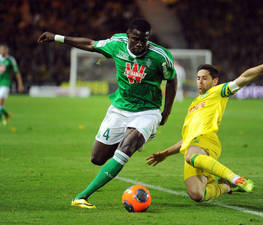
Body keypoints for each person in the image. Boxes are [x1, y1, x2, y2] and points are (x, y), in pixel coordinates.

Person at [38, 18, 177, 208]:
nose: (140, 44)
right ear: (128, 37)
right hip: (120, 109)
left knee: (126, 148)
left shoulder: (161, 57)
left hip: (148, 111)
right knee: (98, 158)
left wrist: (166, 112)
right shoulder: (116, 44)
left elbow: (172, 80)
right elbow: (90, 44)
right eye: (135, 39)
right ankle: (135, 140)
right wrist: (56, 37)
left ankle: (82, 196)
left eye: (144, 40)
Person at [146, 56, 263, 202]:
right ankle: (227, 186)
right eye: (198, 78)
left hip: (206, 140)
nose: (200, 82)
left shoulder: (218, 92)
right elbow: (186, 139)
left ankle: (235, 179)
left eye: (204, 78)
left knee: (190, 156)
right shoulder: (194, 104)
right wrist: (165, 153)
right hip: (192, 147)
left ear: (215, 81)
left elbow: (244, 78)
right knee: (197, 195)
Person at [0, 44, 24, 125]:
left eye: (4, 49)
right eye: (2, 49)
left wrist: (20, 84)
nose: (3, 51)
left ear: (7, 50)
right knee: (0, 105)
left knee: (1, 102)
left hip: (5, 83)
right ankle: (7, 116)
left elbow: (17, 72)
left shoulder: (10, 60)